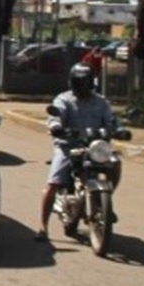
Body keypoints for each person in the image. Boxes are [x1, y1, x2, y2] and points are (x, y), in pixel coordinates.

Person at [36, 63, 124, 242]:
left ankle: (102, 203)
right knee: (53, 184)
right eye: (78, 82)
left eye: (85, 82)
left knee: (115, 163)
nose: (82, 86)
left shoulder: (101, 102)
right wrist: (56, 127)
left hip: (95, 147)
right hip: (68, 147)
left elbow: (111, 119)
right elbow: (55, 115)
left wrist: (119, 129)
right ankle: (42, 227)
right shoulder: (64, 99)